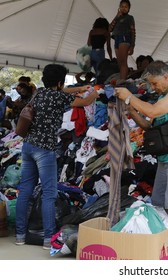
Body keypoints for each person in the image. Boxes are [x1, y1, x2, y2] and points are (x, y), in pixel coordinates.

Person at [115, 61, 168, 260]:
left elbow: (151, 111)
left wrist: (130, 97)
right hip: (165, 157)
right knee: (162, 202)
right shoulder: (163, 98)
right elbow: (149, 124)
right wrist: (132, 111)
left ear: (166, 77)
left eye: (154, 83)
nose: (153, 88)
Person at [15, 64, 99, 249]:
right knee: (49, 193)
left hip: (28, 146)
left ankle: (20, 235)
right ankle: (47, 240)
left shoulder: (39, 93)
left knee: (26, 190)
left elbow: (65, 90)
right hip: (44, 150)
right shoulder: (60, 97)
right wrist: (94, 92)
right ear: (60, 82)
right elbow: (85, 102)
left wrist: (79, 88)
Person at [109, 0, 136, 81]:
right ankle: (122, 80)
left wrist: (132, 46)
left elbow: (133, 32)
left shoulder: (129, 18)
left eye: (126, 7)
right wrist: (117, 16)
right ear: (119, 7)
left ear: (129, 9)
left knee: (123, 62)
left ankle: (122, 82)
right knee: (120, 63)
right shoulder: (117, 18)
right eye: (122, 6)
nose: (124, 8)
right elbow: (110, 29)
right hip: (116, 39)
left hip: (124, 38)